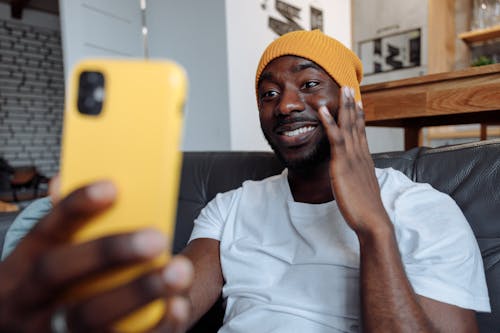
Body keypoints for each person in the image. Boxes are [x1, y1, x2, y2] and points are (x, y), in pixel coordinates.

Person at [0, 30, 490, 332]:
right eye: (269, 92)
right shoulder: (231, 205)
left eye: (309, 83)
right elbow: (168, 313)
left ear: (351, 101)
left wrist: (373, 228)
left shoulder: (425, 209)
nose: (286, 104)